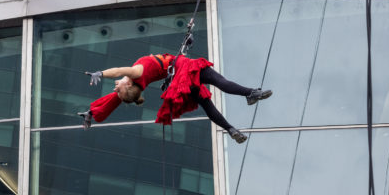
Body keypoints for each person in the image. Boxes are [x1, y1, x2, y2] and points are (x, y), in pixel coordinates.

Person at [79, 53, 271, 143]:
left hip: (179, 80)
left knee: (206, 104)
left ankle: (230, 129)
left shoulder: (137, 84)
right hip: (182, 68)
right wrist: (102, 74)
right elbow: (119, 71)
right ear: (128, 84)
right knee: (218, 80)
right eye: (118, 87)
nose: (115, 86)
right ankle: (250, 93)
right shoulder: (137, 73)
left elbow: (115, 99)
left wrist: (92, 112)